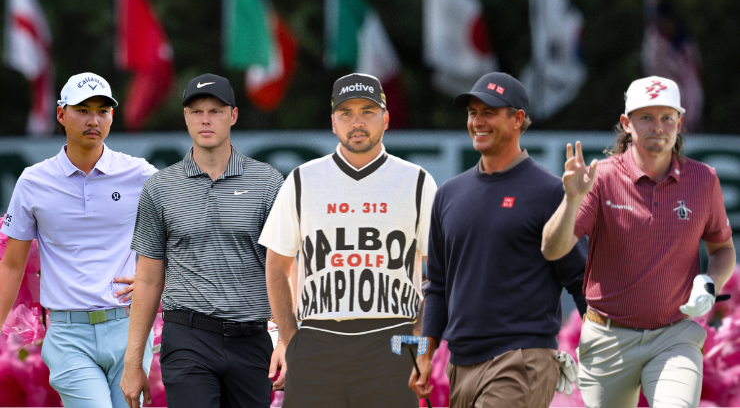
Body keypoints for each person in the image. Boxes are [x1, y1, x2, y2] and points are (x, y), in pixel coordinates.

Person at [541, 76, 736, 408]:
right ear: (626, 123)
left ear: (679, 123)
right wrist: (571, 200)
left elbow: (723, 250)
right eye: (646, 117)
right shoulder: (600, 178)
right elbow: (552, 249)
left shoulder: (704, 180)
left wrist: (710, 283)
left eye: (667, 117)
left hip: (675, 335)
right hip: (607, 337)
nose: (657, 127)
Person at [410, 72, 589, 408]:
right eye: (472, 113)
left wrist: (604, 350)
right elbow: (437, 286)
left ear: (517, 119)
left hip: (521, 361)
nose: (477, 122)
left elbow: (581, 280)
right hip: (460, 366)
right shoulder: (448, 195)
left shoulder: (550, 192)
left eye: (489, 112)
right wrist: (424, 354)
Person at [259, 73, 437, 408]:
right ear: (333, 122)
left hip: (392, 335)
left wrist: (418, 339)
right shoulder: (302, 180)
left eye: (367, 112)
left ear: (386, 119)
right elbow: (276, 267)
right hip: (318, 336)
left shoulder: (416, 181)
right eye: (346, 113)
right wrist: (290, 340)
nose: (357, 122)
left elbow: (441, 273)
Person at [120, 74, 285, 408]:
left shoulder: (267, 182)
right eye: (196, 111)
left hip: (252, 340)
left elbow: (284, 270)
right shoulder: (160, 188)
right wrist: (133, 361)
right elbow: (148, 279)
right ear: (185, 116)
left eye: (215, 111)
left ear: (233, 115)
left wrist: (285, 339)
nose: (205, 119)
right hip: (187, 338)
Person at [0, 72, 156, 408]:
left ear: (112, 116)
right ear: (61, 114)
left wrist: (162, 278)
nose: (93, 120)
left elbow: (184, 232)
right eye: (82, 110)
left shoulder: (140, 174)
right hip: (68, 335)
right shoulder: (33, 181)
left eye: (103, 111)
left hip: (129, 329)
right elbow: (12, 265)